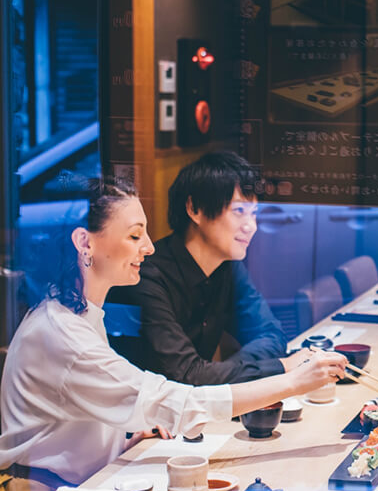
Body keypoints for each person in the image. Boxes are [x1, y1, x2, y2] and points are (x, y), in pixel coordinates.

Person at [0, 179, 345, 491]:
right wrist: (293, 381)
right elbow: (176, 400)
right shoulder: (61, 333)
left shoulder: (78, 311)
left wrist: (124, 436)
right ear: (84, 243)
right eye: (134, 235)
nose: (149, 247)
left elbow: (73, 416)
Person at [108, 151, 313, 384]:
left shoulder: (228, 267)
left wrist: (218, 375)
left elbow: (271, 334)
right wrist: (279, 367)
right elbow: (185, 374)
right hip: (140, 415)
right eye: (239, 212)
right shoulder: (145, 276)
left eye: (254, 214)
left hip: (195, 410)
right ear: (195, 209)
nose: (251, 226)